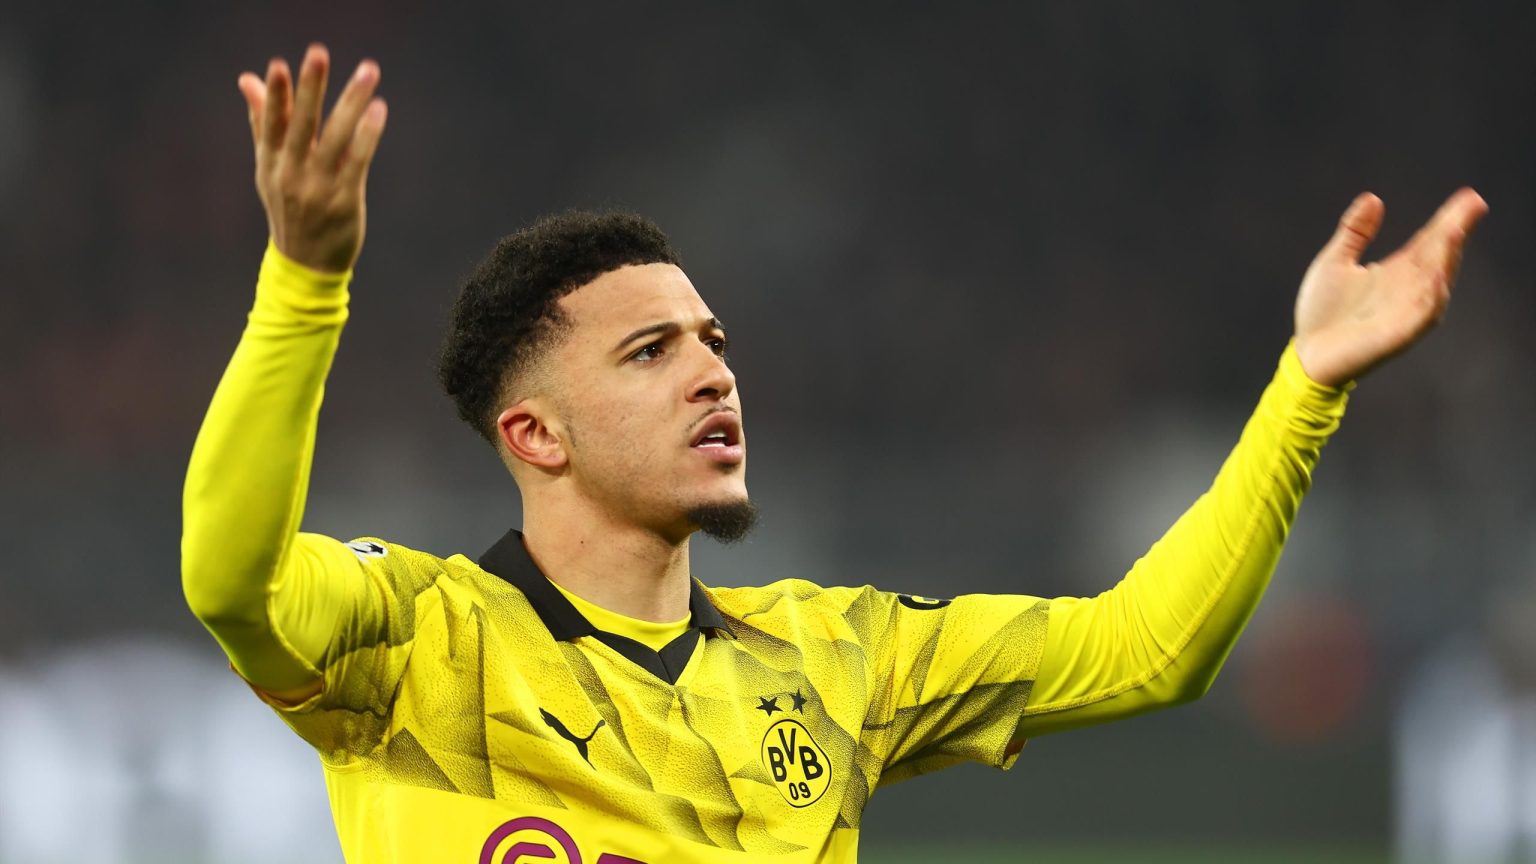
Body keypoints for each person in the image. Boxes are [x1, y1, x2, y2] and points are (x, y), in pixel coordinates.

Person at [181, 44, 1488, 864]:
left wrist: (1306, 386)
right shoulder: (419, 646)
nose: (712, 372)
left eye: (714, 341)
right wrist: (305, 286)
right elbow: (231, 580)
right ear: (536, 435)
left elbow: (1150, 647)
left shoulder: (832, 660)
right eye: (650, 353)